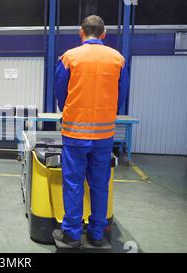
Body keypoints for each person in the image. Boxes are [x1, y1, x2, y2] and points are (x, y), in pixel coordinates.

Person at [53, 15, 129, 248]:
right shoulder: (118, 59)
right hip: (105, 135)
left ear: (81, 32)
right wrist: (106, 113)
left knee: (73, 183)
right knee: (99, 183)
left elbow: (60, 93)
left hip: (75, 133)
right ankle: (97, 234)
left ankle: (72, 234)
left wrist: (73, 111)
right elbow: (122, 95)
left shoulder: (70, 57)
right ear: (103, 33)